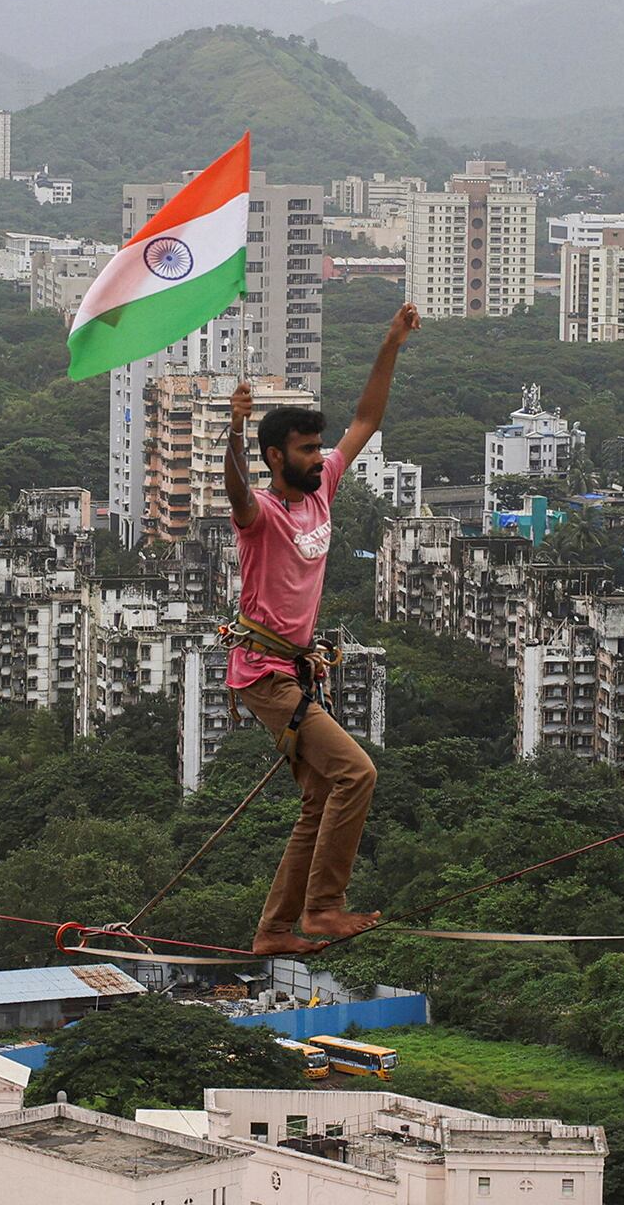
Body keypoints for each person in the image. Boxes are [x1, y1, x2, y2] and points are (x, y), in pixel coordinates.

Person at [223, 300, 421, 955]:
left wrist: (390, 341)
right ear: (276, 458)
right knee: (356, 774)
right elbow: (236, 491)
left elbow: (367, 417)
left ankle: (273, 929)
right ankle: (323, 908)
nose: (320, 458)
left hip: (296, 671)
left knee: (319, 801)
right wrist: (233, 430)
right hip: (265, 675)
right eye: (307, 450)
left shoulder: (323, 488)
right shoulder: (264, 516)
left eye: (318, 449)